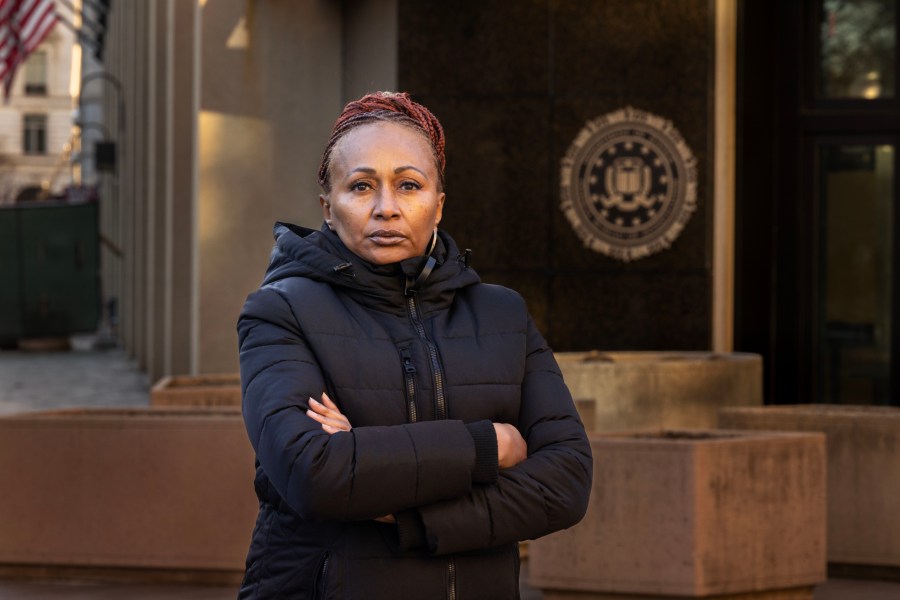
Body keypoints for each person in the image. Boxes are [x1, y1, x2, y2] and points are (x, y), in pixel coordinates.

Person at [237, 91, 592, 599]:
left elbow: (566, 483)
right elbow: (313, 473)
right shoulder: (280, 312)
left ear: (439, 205)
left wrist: (401, 512)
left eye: (408, 185)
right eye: (361, 186)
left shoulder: (502, 315)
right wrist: (491, 445)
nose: (386, 208)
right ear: (328, 209)